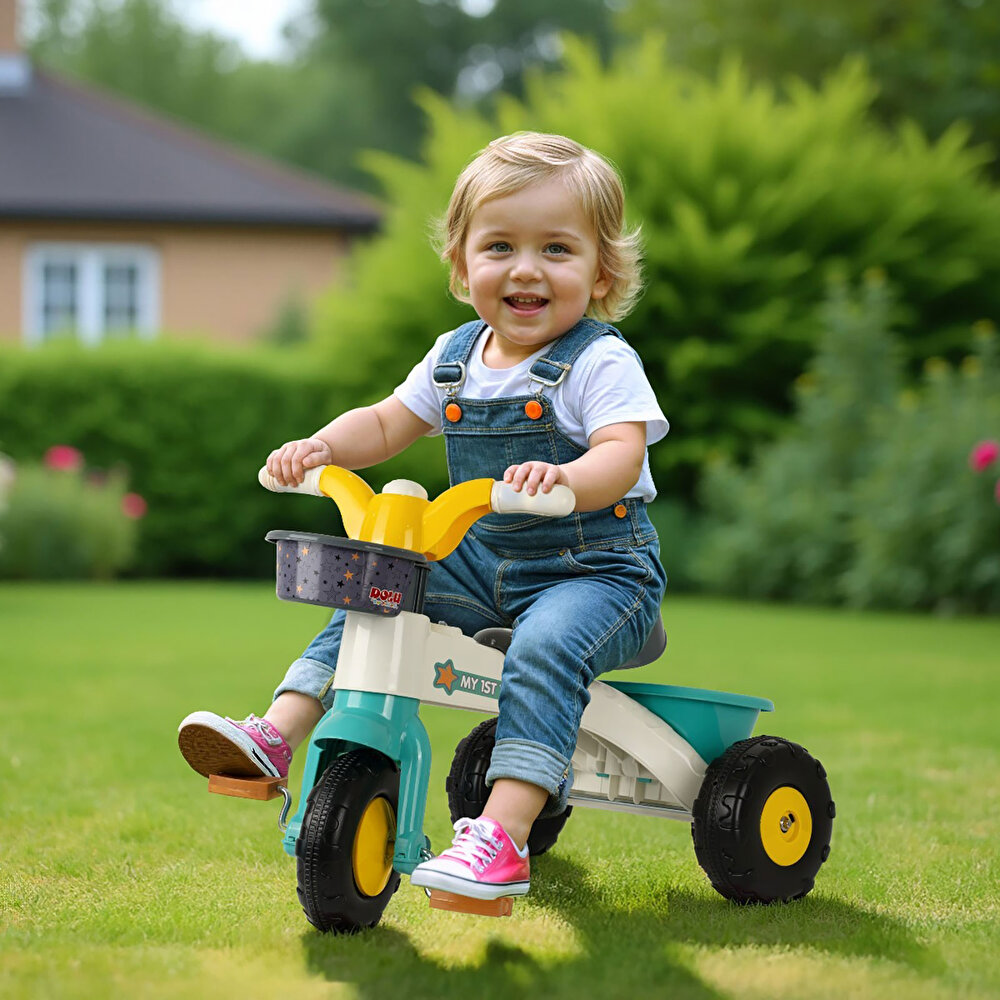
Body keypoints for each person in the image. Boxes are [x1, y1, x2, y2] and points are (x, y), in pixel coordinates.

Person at [178, 131, 668, 901]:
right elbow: (382, 423)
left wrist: (567, 477)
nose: (526, 268)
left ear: (601, 270)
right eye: (500, 245)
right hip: (480, 562)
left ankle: (501, 839)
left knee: (544, 647)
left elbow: (621, 455)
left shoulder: (598, 361)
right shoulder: (454, 357)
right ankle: (279, 730)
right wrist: (321, 447)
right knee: (374, 584)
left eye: (557, 249)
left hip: (595, 572)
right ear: (462, 264)